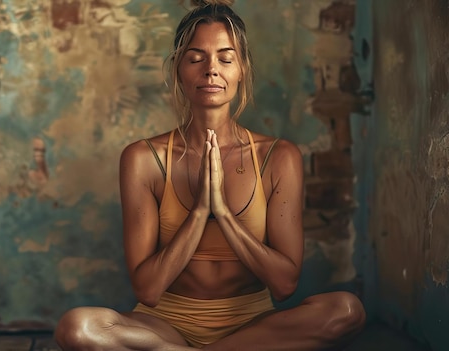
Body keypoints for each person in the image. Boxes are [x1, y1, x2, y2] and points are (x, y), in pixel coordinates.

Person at [54, 1, 366, 349]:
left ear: (242, 69)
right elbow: (148, 290)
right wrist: (200, 211)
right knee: (76, 328)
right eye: (196, 57)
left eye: (226, 58)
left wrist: (225, 215)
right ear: (178, 70)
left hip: (254, 326)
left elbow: (284, 285)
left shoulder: (278, 157)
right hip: (164, 326)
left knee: (346, 309)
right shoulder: (143, 159)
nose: (211, 70)